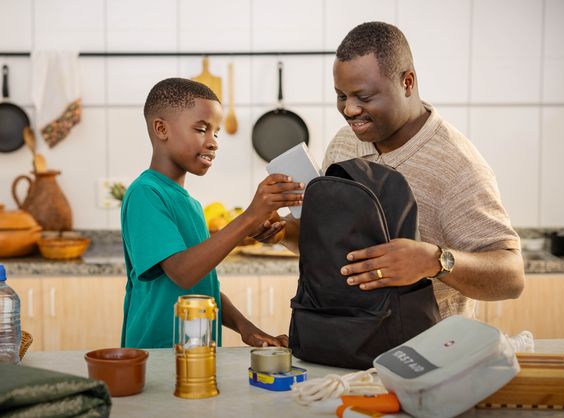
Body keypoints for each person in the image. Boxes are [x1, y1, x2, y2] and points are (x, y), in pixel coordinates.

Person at [275, 22, 524, 318]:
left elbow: (511, 278)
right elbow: (336, 250)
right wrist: (282, 233)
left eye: (363, 97)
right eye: (341, 96)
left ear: (407, 82)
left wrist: (435, 261)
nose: (349, 110)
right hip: (341, 344)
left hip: (428, 356)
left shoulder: (457, 166)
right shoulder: (344, 144)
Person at [121, 78, 300, 348]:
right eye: (202, 129)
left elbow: (203, 285)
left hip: (197, 351)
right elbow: (183, 273)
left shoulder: (191, 205)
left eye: (216, 133)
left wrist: (246, 328)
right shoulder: (145, 193)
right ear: (161, 128)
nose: (213, 142)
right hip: (156, 353)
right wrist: (249, 216)